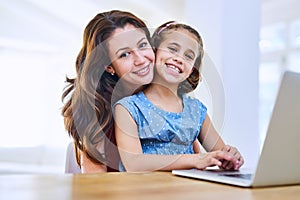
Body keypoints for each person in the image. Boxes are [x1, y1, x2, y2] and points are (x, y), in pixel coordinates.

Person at [114, 21, 244, 172]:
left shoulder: (196, 110)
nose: (179, 59)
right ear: (154, 51)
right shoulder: (128, 108)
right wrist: (196, 159)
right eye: (172, 49)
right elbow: (134, 163)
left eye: (189, 56)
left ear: (192, 70)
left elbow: (222, 154)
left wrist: (231, 156)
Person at [61, 10, 155, 173]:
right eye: (125, 54)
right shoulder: (98, 111)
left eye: (142, 45)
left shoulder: (168, 95)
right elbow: (95, 187)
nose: (141, 60)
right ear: (109, 66)